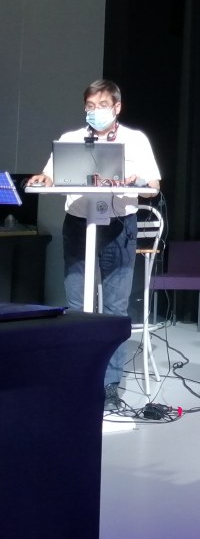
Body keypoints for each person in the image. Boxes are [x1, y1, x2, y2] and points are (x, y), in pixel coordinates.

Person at [27, 79, 161, 411]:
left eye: (102, 106)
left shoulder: (136, 140)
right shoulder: (71, 140)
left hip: (119, 227)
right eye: (90, 106)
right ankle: (76, 377)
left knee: (114, 310)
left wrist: (135, 181)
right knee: (77, 306)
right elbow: (50, 176)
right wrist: (42, 179)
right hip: (79, 223)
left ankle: (110, 385)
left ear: (117, 107)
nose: (95, 112)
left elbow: (153, 186)